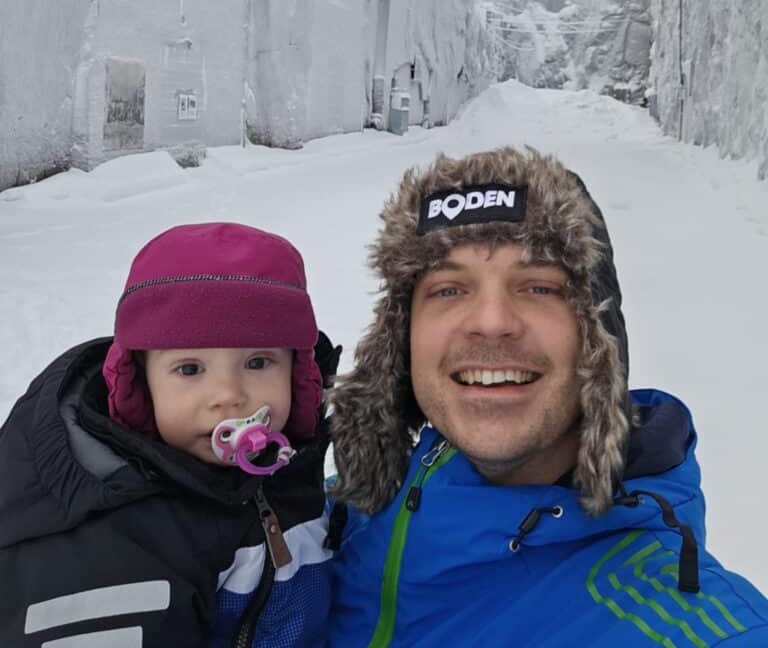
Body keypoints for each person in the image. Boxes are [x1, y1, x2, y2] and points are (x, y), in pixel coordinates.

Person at [328, 146, 768, 646]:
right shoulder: (351, 508)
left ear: (598, 335)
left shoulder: (678, 622)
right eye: (449, 289)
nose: (490, 323)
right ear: (402, 339)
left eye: (539, 287)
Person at [0, 222, 340, 648]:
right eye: (190, 369)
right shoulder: (117, 546)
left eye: (257, 363)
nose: (230, 396)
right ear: (141, 386)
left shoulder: (290, 469)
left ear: (298, 371)